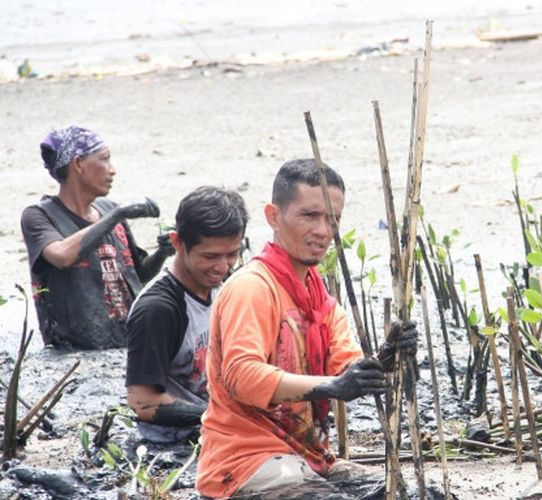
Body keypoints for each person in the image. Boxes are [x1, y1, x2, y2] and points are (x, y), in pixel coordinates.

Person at [196, 159, 417, 499]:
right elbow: (241, 375)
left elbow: (347, 367)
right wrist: (333, 385)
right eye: (310, 216)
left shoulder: (318, 295)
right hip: (245, 461)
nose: (324, 231)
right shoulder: (252, 287)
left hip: (308, 458)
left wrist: (387, 357)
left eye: (333, 219)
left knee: (408, 492)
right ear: (273, 216)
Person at [20, 125, 173, 350]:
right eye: (105, 159)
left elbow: (138, 275)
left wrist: (163, 252)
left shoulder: (108, 209)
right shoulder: (39, 215)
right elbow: (62, 256)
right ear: (79, 163)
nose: (112, 170)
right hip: (74, 350)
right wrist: (118, 214)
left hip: (127, 340)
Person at [125, 186, 248, 443]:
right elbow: (143, 403)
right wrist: (223, 416)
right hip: (175, 439)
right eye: (210, 256)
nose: (223, 267)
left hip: (214, 424)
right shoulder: (157, 310)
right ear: (177, 243)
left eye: (232, 255)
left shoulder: (217, 289)